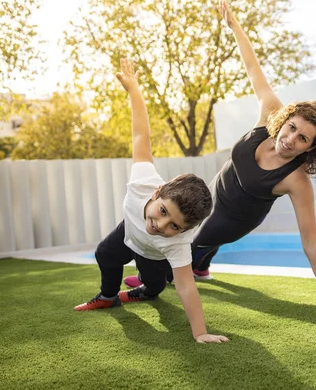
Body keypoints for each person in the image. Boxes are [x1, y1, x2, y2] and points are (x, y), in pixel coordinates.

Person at [125, 0, 316, 311]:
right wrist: (235, 26)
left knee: (188, 236)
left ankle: (156, 277)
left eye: (303, 140)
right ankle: (201, 266)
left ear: (310, 149)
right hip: (218, 189)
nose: (290, 140)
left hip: (234, 218)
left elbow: (311, 241)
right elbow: (253, 68)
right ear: (286, 120)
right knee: (193, 220)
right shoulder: (270, 113)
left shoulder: (296, 180)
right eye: (292, 128)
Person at [74, 58, 229, 344]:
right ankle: (109, 296)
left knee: (155, 285)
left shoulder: (177, 242)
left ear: (183, 231)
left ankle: (147, 288)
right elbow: (139, 134)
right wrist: (133, 89)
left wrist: (201, 332)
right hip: (129, 231)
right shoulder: (144, 179)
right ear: (157, 193)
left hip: (155, 254)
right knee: (104, 254)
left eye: (174, 226)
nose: (160, 225)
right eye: (162, 212)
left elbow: (186, 287)